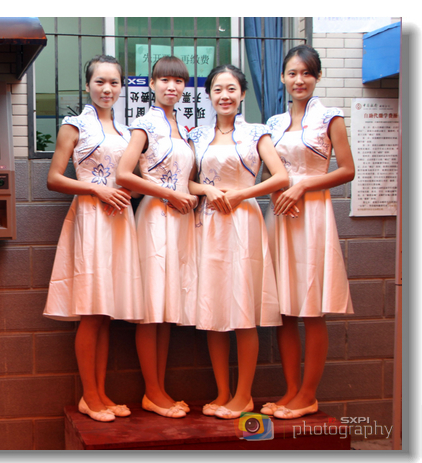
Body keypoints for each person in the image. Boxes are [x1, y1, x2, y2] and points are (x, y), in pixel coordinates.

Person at [42, 55, 145, 422]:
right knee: (91, 311)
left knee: (105, 314)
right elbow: (54, 178)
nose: (107, 89)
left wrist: (130, 191)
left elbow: (134, 179)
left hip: (120, 220)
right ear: (88, 85)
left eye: (114, 82)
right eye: (100, 81)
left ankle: (100, 394)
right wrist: (96, 189)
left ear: (122, 87)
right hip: (90, 218)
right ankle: (89, 395)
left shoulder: (127, 131)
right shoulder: (74, 125)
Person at [187, 64, 289, 419]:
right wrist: (208, 190)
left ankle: (244, 395)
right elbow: (187, 182)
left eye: (231, 89)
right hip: (210, 224)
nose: (225, 96)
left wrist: (244, 193)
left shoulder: (257, 133)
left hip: (244, 222)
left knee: (244, 310)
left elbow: (281, 177)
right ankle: (222, 392)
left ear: (243, 94)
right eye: (217, 89)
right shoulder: (198, 135)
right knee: (213, 308)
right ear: (209, 95)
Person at [261, 45, 355, 420]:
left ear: (316, 77)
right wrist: (278, 190)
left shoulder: (331, 117)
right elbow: (267, 172)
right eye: (292, 73)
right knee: (284, 309)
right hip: (280, 215)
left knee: (312, 310)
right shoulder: (273, 124)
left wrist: (301, 186)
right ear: (282, 77)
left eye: (306, 73)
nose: (299, 80)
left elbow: (346, 170)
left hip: (313, 215)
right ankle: (290, 391)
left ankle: (308, 394)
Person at [116, 55, 198, 419]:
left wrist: (197, 193)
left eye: (178, 81)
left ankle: (159, 390)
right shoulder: (145, 124)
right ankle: (152, 391)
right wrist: (169, 194)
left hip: (180, 220)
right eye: (164, 80)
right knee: (152, 309)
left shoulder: (183, 126)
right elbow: (123, 174)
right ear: (151, 84)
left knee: (167, 310)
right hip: (154, 218)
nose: (171, 86)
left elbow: (187, 180)